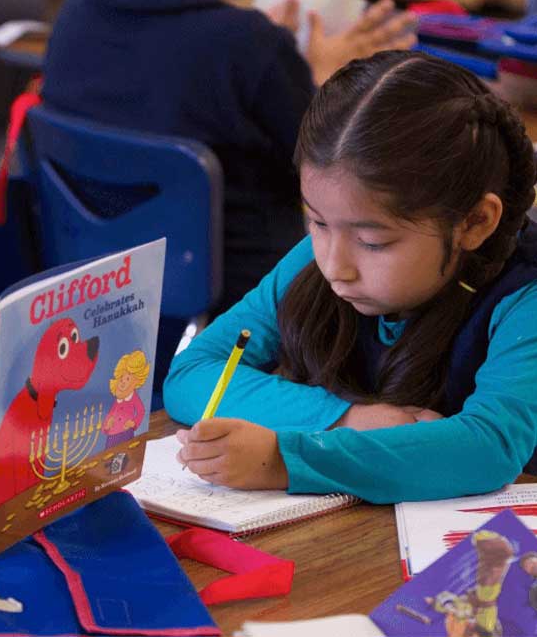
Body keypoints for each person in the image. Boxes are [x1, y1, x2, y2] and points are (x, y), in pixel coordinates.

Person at [165, 50, 537, 503]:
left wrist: (286, 460)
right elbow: (191, 375)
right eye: (316, 222)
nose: (334, 266)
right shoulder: (317, 259)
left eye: (374, 243)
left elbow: (488, 447)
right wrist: (345, 418)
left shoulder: (523, 297)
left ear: (475, 222)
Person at [41, 0, 417, 304]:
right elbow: (334, 164)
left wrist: (274, 54)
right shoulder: (247, 47)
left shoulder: (73, 18)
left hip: (101, 294)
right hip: (242, 308)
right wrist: (326, 78)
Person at [102, 349, 149, 448]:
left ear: (135, 381)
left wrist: (134, 423)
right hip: (112, 434)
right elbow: (111, 413)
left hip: (125, 432)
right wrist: (107, 425)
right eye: (122, 378)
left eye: (127, 379)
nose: (123, 381)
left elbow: (141, 411)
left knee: (124, 453)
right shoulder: (119, 399)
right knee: (108, 454)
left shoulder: (133, 398)